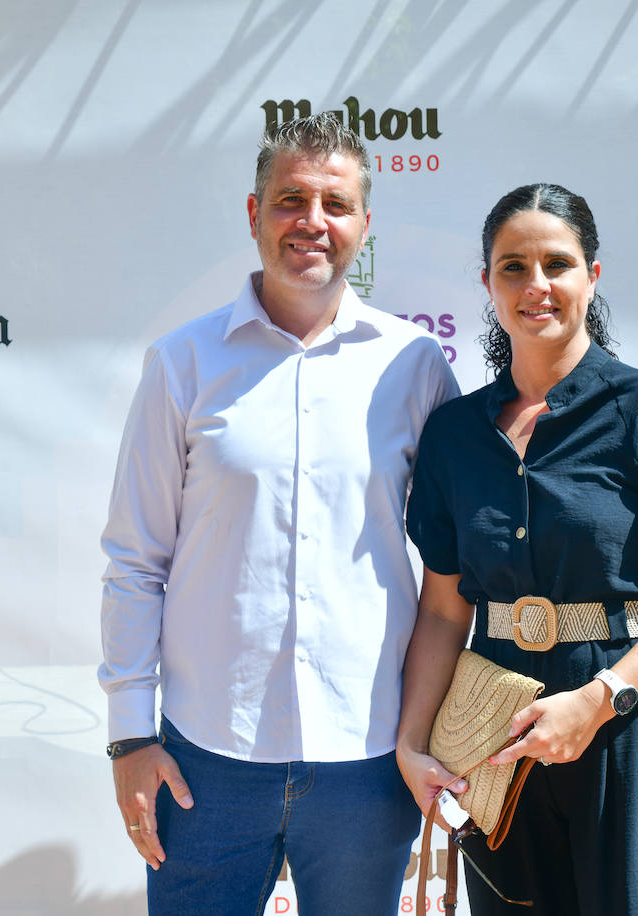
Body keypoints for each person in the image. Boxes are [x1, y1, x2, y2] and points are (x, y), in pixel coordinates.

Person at [99, 113, 459, 915]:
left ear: (365, 223)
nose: (313, 222)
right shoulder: (182, 363)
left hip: (368, 759)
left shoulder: (416, 367)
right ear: (254, 213)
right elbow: (135, 560)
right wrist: (130, 734)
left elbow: (453, 569)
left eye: (335, 203)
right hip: (205, 760)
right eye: (291, 199)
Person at [396, 183, 638, 915]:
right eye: (512, 266)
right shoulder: (455, 435)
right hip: (494, 740)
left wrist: (599, 699)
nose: (536, 285)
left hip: (628, 722)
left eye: (558, 263)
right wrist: (413, 741)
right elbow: (443, 614)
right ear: (487, 283)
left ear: (593, 276)